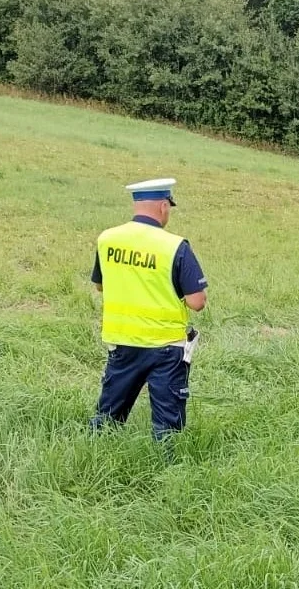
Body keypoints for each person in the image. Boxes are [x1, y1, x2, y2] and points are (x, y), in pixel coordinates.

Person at [89, 177, 207, 443]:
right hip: (166, 346)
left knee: (107, 416)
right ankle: (168, 473)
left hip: (122, 342)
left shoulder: (108, 239)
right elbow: (197, 302)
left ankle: (93, 456)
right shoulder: (175, 246)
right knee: (167, 426)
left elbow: (99, 285)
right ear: (164, 206)